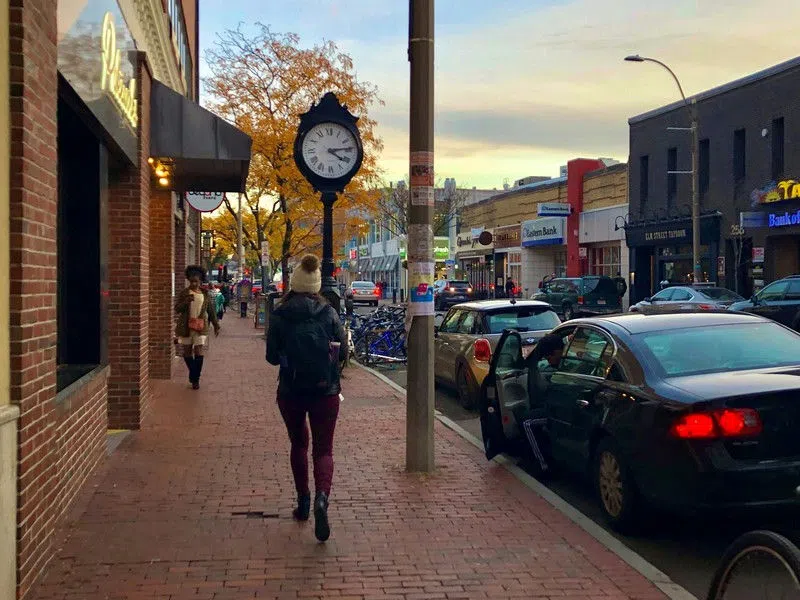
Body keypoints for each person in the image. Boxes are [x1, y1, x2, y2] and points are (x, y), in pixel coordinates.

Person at [266, 254, 347, 542]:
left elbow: (271, 358)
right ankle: (322, 499)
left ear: (294, 283)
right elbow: (343, 354)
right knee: (324, 450)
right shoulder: (329, 313)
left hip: (291, 391)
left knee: (299, 444)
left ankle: (302, 502)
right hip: (325, 391)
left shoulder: (280, 314)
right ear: (315, 285)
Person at [175, 265, 220, 390]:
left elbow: (211, 310)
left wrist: (216, 325)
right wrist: (186, 302)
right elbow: (177, 309)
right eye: (192, 281)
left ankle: (196, 379)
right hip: (186, 326)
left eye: (196, 281)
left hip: (200, 326)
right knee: (187, 351)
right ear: (189, 280)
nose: (194, 283)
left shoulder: (205, 294)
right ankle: (193, 374)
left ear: (200, 281)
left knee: (199, 351)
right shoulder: (185, 293)